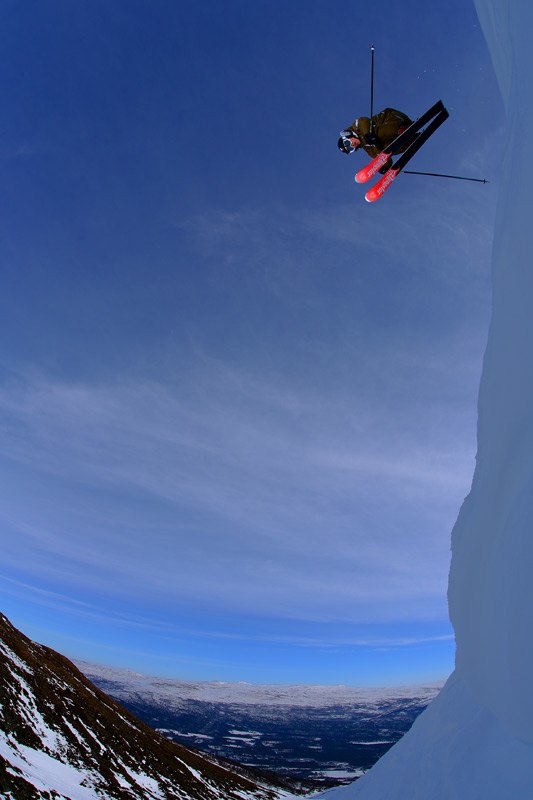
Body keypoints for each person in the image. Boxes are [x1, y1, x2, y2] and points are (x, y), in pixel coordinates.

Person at [337, 107, 414, 172]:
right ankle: (410, 141)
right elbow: (384, 156)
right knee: (385, 148)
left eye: (347, 143)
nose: (352, 145)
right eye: (350, 149)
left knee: (377, 135)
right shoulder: (370, 150)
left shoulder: (356, 127)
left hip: (395, 118)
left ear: (347, 136)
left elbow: (363, 121)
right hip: (407, 136)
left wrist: (367, 134)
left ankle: (403, 129)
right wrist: (384, 166)